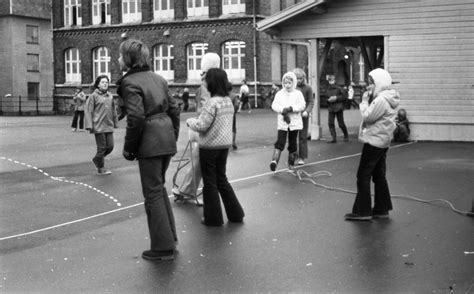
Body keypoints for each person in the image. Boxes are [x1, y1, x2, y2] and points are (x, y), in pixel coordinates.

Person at [116, 38, 181, 260]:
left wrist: (128, 148)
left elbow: (135, 117)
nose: (117, 59)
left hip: (150, 142)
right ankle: (169, 238)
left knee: (152, 192)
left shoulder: (129, 82)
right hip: (166, 138)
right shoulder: (159, 79)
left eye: (119, 55)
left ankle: (163, 248)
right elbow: (175, 110)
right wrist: (173, 136)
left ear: (127, 59)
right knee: (159, 188)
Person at [186, 68, 245, 226]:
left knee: (210, 183)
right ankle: (236, 213)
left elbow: (202, 125)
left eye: (206, 79)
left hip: (209, 146)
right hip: (224, 146)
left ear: (212, 82)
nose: (204, 82)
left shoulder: (212, 103)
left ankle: (213, 218)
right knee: (222, 180)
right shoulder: (228, 101)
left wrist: (190, 121)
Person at [345, 68, 400, 221]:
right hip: (382, 141)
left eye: (371, 83)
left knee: (363, 175)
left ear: (379, 83)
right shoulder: (388, 98)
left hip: (374, 141)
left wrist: (363, 102)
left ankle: (363, 211)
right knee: (378, 175)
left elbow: (368, 117)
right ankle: (382, 208)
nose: (368, 87)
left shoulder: (381, 100)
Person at [172, 53, 221, 201]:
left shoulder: (204, 88)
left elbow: (205, 109)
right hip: (216, 132)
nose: (201, 77)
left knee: (200, 161)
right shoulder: (218, 86)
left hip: (206, 131)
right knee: (200, 162)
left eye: (203, 73)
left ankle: (187, 191)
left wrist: (195, 124)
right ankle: (187, 190)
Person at [269, 71, 306, 171]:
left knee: (292, 142)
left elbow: (302, 105)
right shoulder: (280, 94)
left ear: (293, 83)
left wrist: (292, 108)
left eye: (289, 83)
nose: (287, 85)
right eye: (285, 83)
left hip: (294, 122)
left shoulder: (298, 93)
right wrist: (282, 110)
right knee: (280, 141)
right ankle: (274, 161)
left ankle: (291, 163)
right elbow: (274, 105)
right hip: (283, 122)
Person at [84, 75, 118, 175]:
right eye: (103, 82)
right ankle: (101, 168)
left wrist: (115, 122)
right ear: (98, 84)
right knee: (102, 147)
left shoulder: (110, 96)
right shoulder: (93, 96)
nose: (105, 84)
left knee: (110, 146)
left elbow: (113, 110)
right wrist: (90, 125)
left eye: (106, 82)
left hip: (108, 125)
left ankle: (97, 159)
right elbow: (89, 110)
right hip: (98, 125)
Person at [293, 68, 314, 166]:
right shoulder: (292, 88)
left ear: (304, 78)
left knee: (302, 137)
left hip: (303, 116)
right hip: (293, 115)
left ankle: (302, 157)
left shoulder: (308, 88)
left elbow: (310, 102)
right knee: (292, 137)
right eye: (297, 78)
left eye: (300, 78)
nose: (299, 80)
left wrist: (307, 111)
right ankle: (293, 155)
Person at [326, 74, 349, 143]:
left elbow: (344, 97)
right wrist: (328, 100)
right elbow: (326, 97)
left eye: (332, 80)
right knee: (330, 123)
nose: (331, 81)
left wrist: (336, 98)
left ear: (335, 80)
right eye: (330, 80)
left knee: (341, 124)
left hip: (338, 108)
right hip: (331, 108)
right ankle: (333, 138)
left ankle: (346, 135)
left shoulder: (339, 88)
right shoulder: (328, 89)